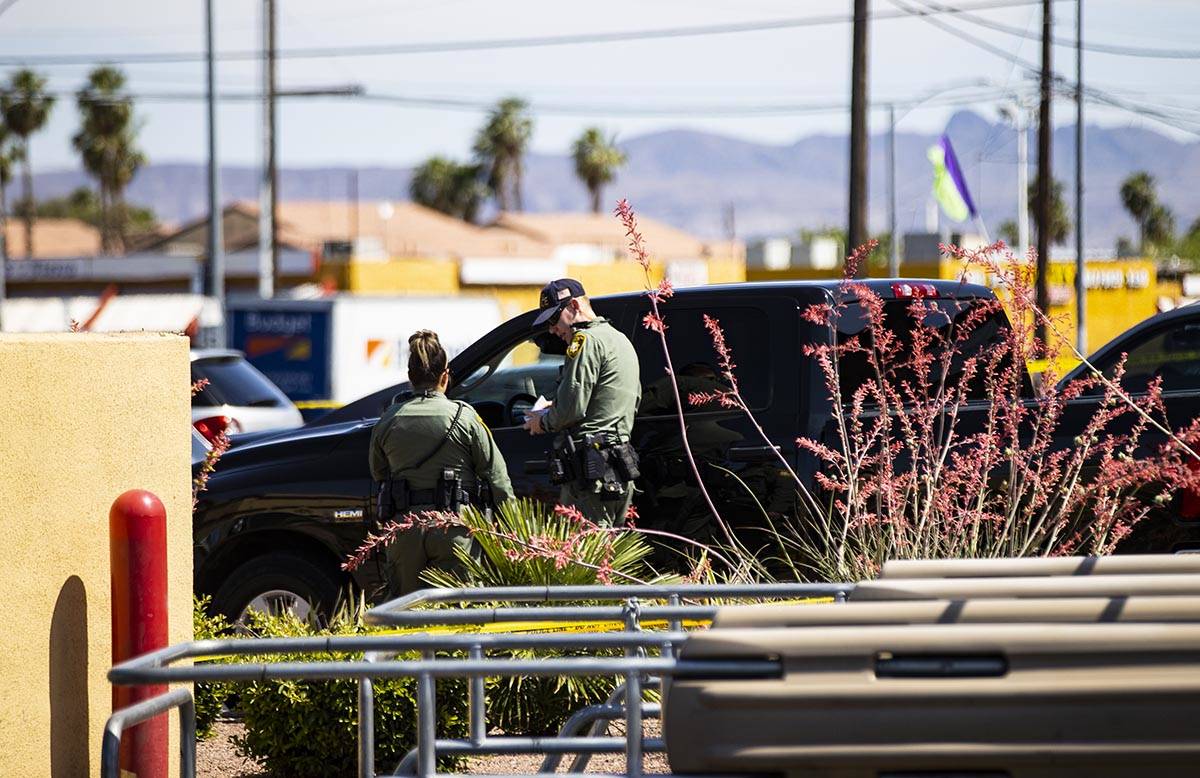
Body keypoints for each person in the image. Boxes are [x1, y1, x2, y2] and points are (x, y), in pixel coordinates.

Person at [370, 330, 514, 598]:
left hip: (405, 531)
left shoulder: (389, 420)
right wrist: (515, 530)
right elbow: (497, 478)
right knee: (458, 619)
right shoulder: (465, 417)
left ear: (410, 377)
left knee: (403, 617)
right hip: (454, 530)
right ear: (445, 376)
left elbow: (378, 473)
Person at [524, 278, 641, 526]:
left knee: (583, 560)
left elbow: (571, 409)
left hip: (591, 474)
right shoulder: (620, 340)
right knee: (608, 557)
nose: (553, 330)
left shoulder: (585, 342)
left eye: (554, 320)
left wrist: (541, 421)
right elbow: (628, 400)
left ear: (574, 305)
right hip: (619, 468)